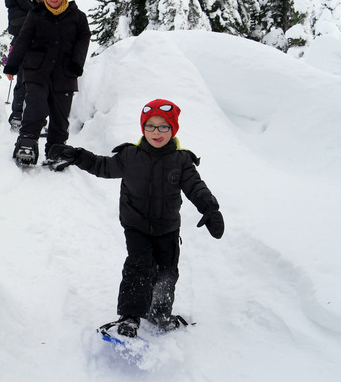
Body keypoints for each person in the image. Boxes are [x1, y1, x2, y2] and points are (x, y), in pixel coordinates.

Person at [47, 99, 225, 337]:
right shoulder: (130, 155)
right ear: (143, 128)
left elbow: (196, 187)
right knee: (138, 266)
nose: (156, 132)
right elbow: (103, 166)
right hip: (137, 226)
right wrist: (78, 156)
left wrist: (210, 209)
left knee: (167, 272)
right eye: (150, 126)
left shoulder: (181, 161)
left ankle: (159, 313)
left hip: (168, 229)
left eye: (163, 127)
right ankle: (130, 317)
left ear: (173, 129)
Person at [3, 0, 91, 166]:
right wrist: (12, 65)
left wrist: (77, 63)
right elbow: (23, 40)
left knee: (60, 113)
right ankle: (27, 141)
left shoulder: (77, 16)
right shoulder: (35, 14)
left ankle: (56, 149)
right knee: (36, 106)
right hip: (37, 70)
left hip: (65, 72)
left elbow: (84, 39)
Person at [7, 0, 48, 131]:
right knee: (22, 83)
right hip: (25, 50)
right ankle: (17, 115)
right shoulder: (28, 6)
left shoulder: (54, 9)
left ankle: (38, 119)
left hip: (44, 53)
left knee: (41, 88)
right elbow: (16, 31)